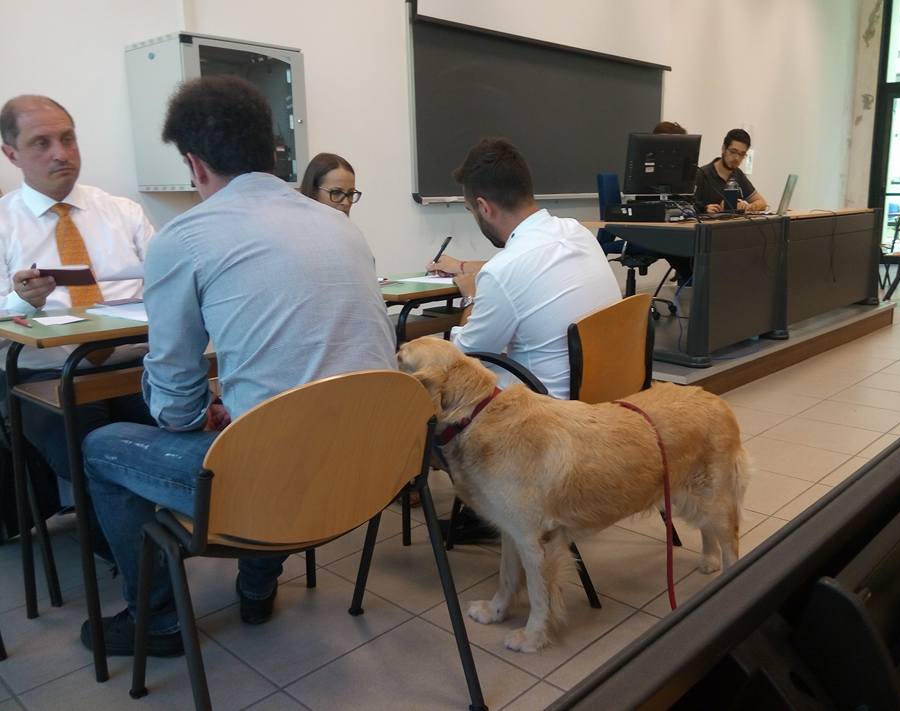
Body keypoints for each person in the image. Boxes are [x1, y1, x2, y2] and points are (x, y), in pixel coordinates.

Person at [81, 76, 396, 657]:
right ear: (272, 151)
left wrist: (206, 410)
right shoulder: (340, 226)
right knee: (261, 427)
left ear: (194, 164)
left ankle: (158, 620)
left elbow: (175, 408)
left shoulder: (184, 239)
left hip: (275, 485)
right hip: (371, 471)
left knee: (101, 447)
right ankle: (255, 589)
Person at [428, 138, 620, 543]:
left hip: (544, 426)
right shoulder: (577, 232)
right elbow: (525, 264)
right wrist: (470, 268)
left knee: (431, 408)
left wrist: (470, 295)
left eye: (470, 211)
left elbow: (461, 360)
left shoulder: (503, 273)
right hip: (604, 401)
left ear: (484, 207)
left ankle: (496, 508)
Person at [0, 95, 155, 546]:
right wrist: (18, 300)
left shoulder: (123, 212)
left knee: (188, 426)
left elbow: (170, 281)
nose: (61, 153)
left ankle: (156, 543)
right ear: (11, 154)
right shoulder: (4, 224)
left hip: (135, 362)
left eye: (68, 139)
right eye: (42, 143)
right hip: (46, 374)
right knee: (90, 452)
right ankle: (141, 559)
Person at [694, 128, 768, 214]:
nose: (737, 158)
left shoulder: (738, 174)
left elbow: (762, 202)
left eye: (742, 154)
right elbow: (688, 206)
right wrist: (704, 209)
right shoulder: (701, 174)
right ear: (723, 148)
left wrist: (747, 207)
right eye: (733, 152)